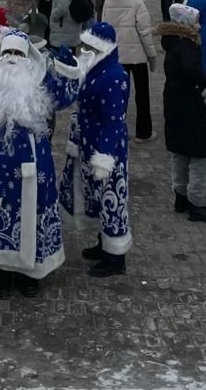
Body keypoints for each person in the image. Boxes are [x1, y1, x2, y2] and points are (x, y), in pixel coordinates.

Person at [0, 28, 81, 298]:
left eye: (17, 53)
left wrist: (68, 67)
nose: (12, 58)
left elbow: (65, 96)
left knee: (36, 211)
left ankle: (30, 274)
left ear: (27, 57)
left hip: (35, 162)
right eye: (7, 52)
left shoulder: (40, 80)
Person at [59, 22, 132, 277]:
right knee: (98, 197)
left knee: (113, 200)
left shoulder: (114, 76)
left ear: (103, 47)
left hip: (107, 150)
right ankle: (104, 243)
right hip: (89, 142)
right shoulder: (93, 68)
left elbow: (114, 120)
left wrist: (104, 157)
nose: (85, 50)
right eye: (85, 45)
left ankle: (116, 257)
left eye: (90, 46)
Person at [158, 3, 206, 224]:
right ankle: (196, 204)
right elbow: (191, 70)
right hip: (189, 106)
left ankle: (180, 197)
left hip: (174, 103)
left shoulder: (172, 43)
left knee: (179, 152)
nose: (199, 26)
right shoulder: (188, 46)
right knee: (199, 155)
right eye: (195, 22)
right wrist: (205, 84)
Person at [102, 0, 156, 142]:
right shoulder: (136, 0)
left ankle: (116, 129)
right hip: (137, 56)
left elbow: (104, 29)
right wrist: (152, 56)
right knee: (142, 95)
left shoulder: (108, 1)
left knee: (118, 94)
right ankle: (144, 132)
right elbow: (145, 30)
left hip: (116, 56)